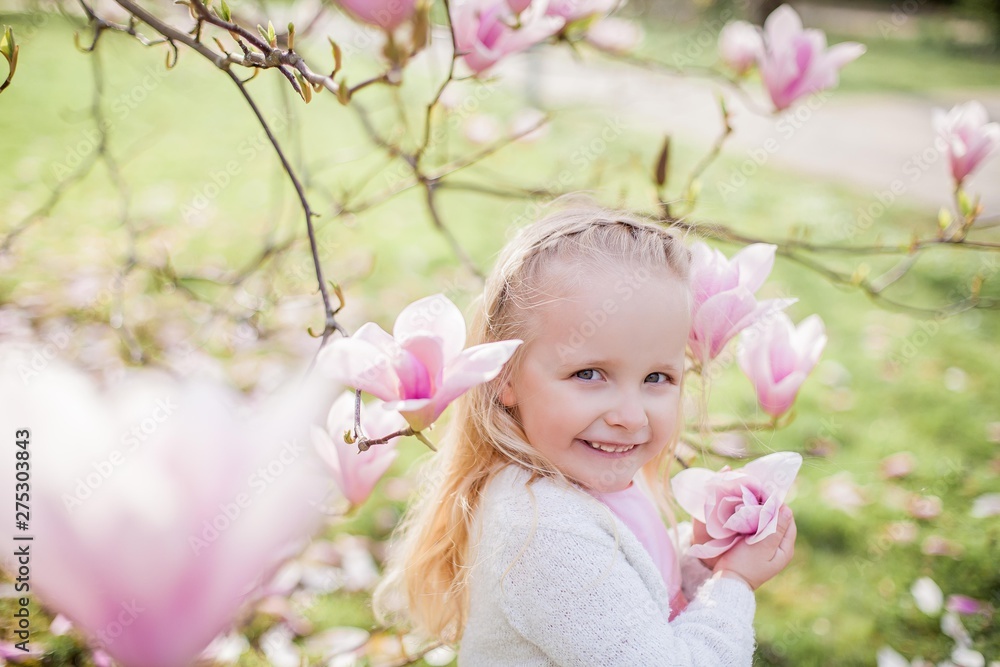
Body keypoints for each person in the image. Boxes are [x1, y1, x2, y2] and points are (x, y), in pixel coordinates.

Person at [373, 202, 797, 666]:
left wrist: (702, 559)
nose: (631, 416)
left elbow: (633, 588)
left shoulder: (576, 484)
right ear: (504, 376)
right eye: (590, 373)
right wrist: (734, 584)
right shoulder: (543, 530)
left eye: (657, 378)